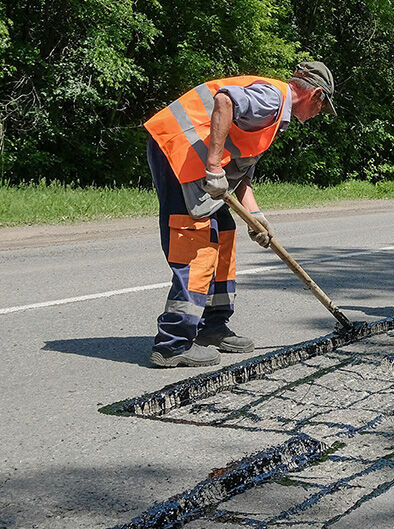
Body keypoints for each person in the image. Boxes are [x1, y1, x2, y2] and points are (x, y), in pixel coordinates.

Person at [142, 62, 337, 367]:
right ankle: (172, 344)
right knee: (196, 242)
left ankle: (213, 326)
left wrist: (256, 216)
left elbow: (241, 173)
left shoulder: (275, 116)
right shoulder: (273, 99)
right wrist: (214, 167)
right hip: (177, 153)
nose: (315, 117)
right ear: (315, 95)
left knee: (225, 228)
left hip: (197, 164)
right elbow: (224, 100)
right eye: (320, 109)